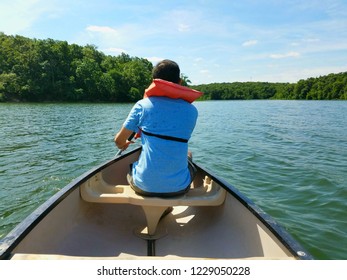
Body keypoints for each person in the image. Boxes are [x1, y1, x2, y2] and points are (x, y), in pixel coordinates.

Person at [114, 59, 200, 197]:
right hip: (179, 187)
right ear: (180, 82)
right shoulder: (192, 111)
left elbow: (118, 141)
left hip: (143, 186)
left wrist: (123, 144)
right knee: (188, 154)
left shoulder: (142, 106)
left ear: (153, 82)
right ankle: (168, 203)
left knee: (136, 162)